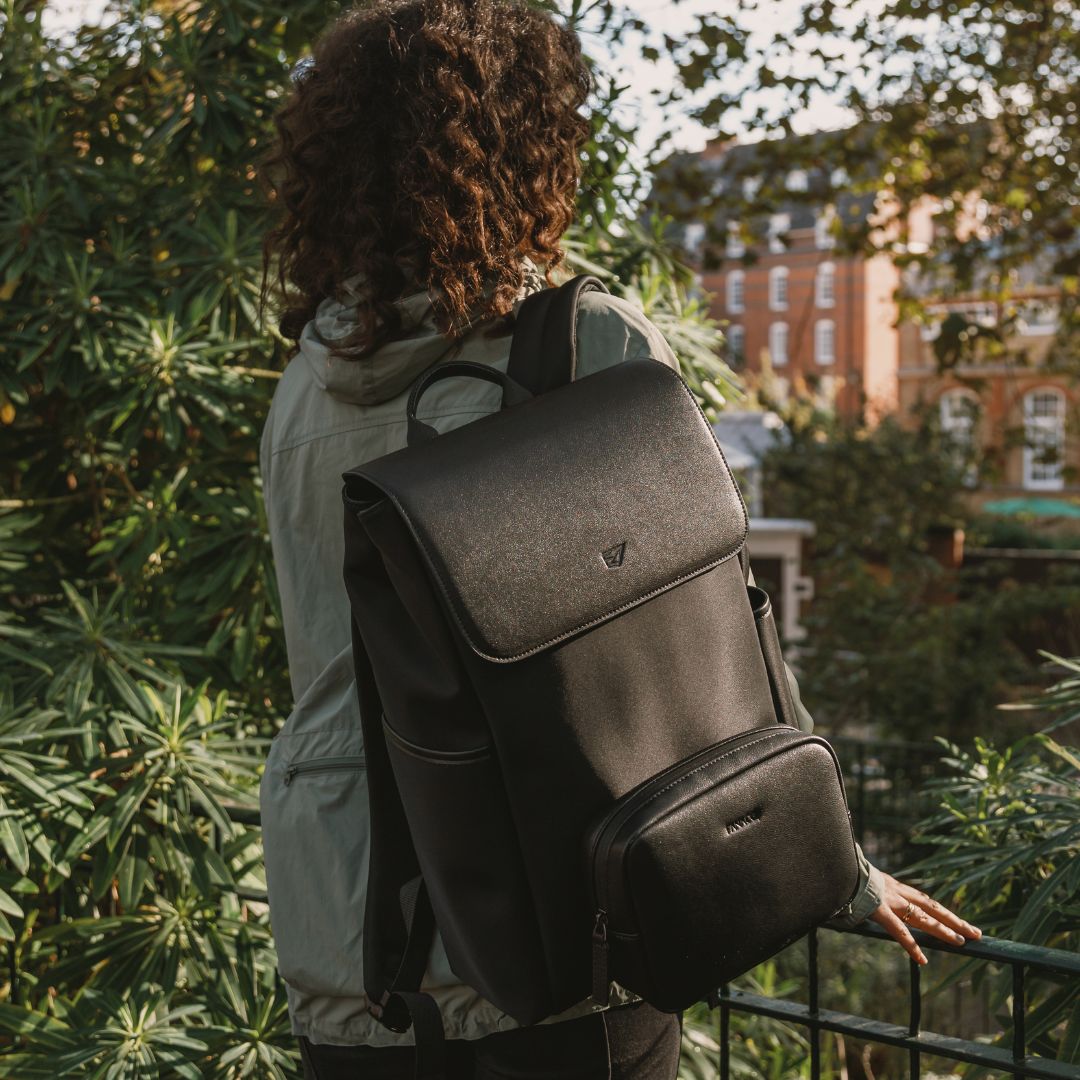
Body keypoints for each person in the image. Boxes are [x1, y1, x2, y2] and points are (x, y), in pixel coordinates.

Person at [256, 1, 982, 1077]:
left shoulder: (304, 386)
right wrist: (836, 865)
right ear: (525, 143)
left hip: (346, 931)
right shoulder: (577, 342)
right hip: (552, 927)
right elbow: (720, 638)